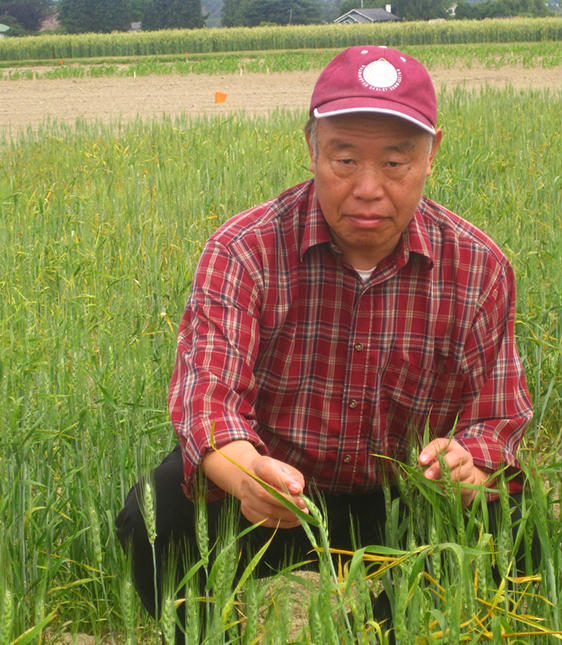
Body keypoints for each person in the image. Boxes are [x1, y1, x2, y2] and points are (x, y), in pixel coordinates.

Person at [116, 46, 535, 642]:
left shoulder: (478, 266)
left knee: (518, 525)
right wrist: (249, 473)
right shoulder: (245, 251)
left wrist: (467, 463)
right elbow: (206, 400)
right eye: (343, 159)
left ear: (432, 152)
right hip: (275, 487)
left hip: (408, 495)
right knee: (156, 513)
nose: (368, 189)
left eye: (395, 163)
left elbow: (498, 418)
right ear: (311, 147)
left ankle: (404, 629)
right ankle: (203, 635)